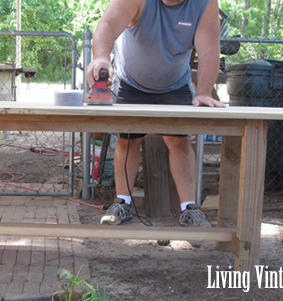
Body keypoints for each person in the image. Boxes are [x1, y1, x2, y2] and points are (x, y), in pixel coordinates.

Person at [86, 0, 225, 228]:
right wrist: (101, 56)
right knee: (128, 141)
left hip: (175, 84)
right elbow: (108, 25)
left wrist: (203, 92)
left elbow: (209, 49)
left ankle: (189, 209)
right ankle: (123, 203)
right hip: (131, 81)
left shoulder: (205, 3)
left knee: (179, 141)